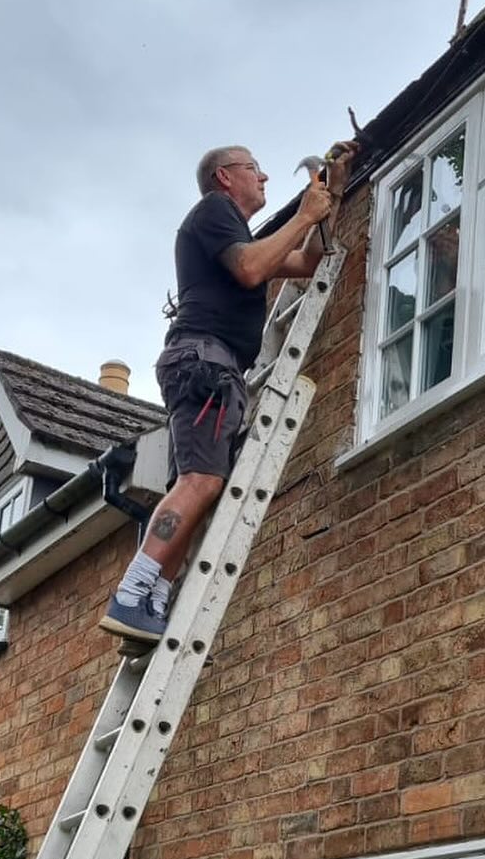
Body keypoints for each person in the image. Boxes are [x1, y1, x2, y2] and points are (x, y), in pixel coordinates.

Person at [100, 141, 356, 645]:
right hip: (205, 363)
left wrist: (332, 195)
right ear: (224, 177)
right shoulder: (213, 213)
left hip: (206, 366)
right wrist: (305, 213)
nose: (263, 178)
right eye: (254, 169)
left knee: (198, 485)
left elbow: (307, 264)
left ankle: (151, 604)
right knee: (201, 481)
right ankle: (131, 594)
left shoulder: (236, 233)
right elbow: (251, 270)